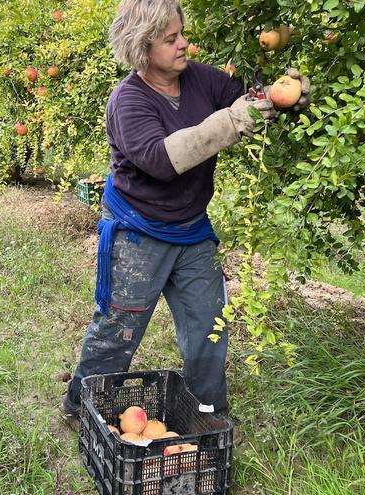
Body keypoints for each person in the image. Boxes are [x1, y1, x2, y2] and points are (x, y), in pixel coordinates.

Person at [63, 0, 310, 418]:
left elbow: (247, 102)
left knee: (208, 328)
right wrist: (233, 120)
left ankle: (208, 413)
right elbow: (163, 160)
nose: (184, 45)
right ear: (143, 46)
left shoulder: (201, 79)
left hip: (191, 230)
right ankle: (83, 407)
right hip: (138, 230)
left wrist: (282, 97)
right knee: (119, 330)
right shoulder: (128, 101)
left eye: (183, 34)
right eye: (171, 39)